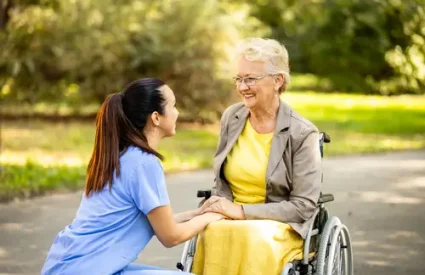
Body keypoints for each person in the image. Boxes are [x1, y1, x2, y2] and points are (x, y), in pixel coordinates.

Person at [41, 78, 223, 275]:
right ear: (156, 117)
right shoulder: (145, 163)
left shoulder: (123, 156)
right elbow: (171, 236)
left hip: (68, 265)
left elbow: (157, 222)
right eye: (173, 106)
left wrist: (196, 214)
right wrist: (216, 215)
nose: (177, 112)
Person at [191, 38, 322, 275]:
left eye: (250, 79)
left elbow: (303, 207)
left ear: (278, 80)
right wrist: (219, 206)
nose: (242, 87)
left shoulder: (302, 133)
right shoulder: (232, 117)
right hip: (230, 221)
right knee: (210, 232)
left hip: (277, 227)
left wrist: (241, 211)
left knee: (254, 236)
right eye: (239, 79)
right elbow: (221, 182)